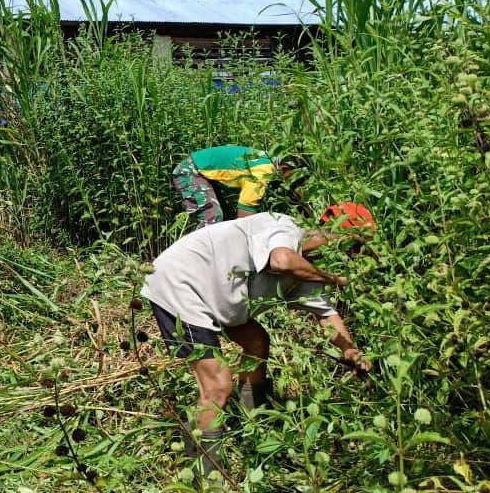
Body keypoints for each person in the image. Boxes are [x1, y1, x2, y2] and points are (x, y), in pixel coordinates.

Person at [138, 203, 375, 479]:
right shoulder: (285, 227)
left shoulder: (309, 272)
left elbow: (327, 316)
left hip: (219, 296)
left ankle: (253, 425)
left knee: (257, 343)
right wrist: (336, 280)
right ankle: (204, 473)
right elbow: (282, 261)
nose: (352, 256)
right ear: (336, 236)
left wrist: (351, 350)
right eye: (353, 247)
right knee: (217, 386)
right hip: (182, 282)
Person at [172, 144, 299, 229]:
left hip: (203, 172)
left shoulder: (269, 160)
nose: (295, 181)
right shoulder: (263, 172)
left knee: (223, 222)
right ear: (284, 168)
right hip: (191, 170)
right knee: (212, 220)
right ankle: (197, 261)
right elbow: (245, 212)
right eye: (295, 176)